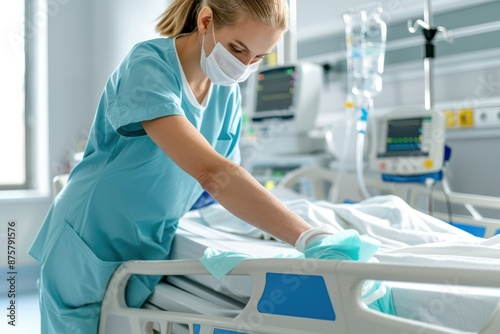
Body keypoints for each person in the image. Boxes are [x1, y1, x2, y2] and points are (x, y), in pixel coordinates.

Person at [29, 0, 335, 332]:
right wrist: (306, 235)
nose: (244, 65)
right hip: (89, 242)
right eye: (237, 48)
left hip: (146, 248)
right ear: (206, 20)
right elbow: (214, 174)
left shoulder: (226, 96)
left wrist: (263, 224)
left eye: (258, 58)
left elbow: (210, 190)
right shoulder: (148, 67)